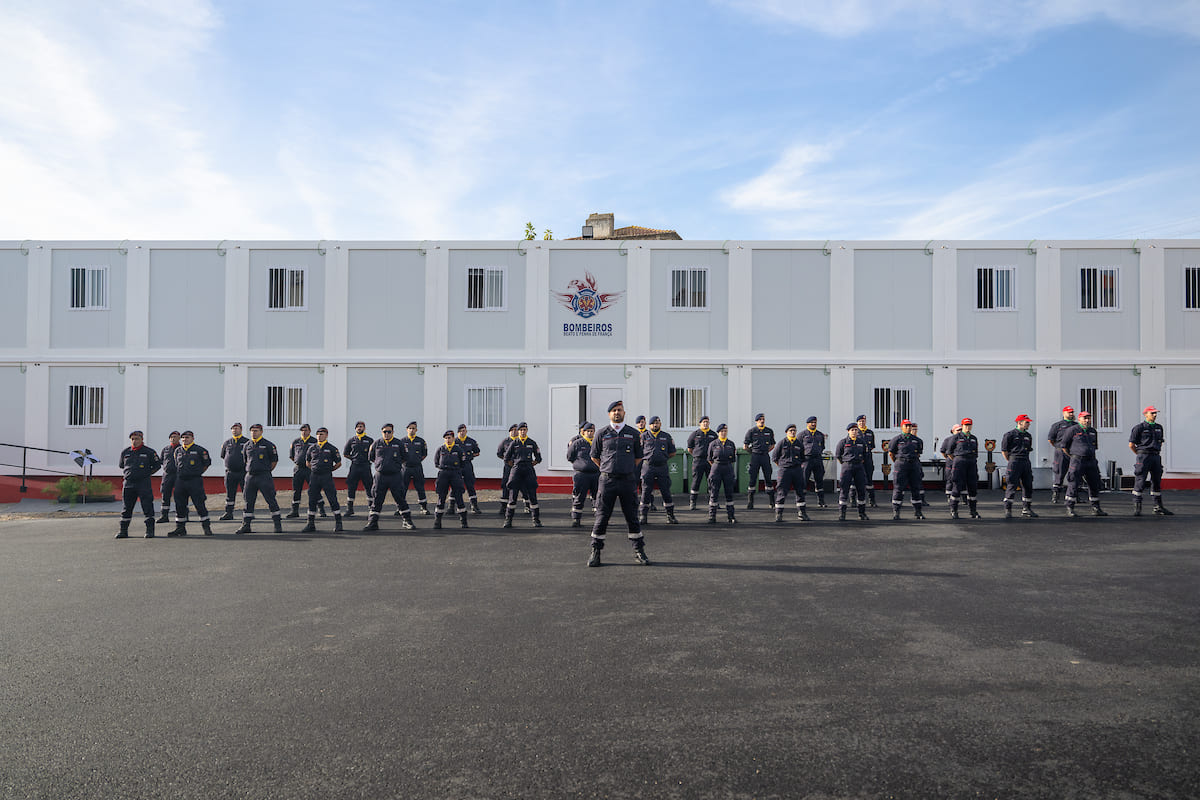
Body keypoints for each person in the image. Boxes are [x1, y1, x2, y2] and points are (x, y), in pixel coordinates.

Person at [587, 400, 648, 567]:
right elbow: (594, 456)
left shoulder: (633, 434)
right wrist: (608, 469)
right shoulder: (601, 433)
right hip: (607, 481)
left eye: (619, 410)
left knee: (632, 517)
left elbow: (638, 457)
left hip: (628, 480)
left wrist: (626, 468)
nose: (616, 413)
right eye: (613, 410)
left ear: (624, 413)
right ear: (609, 414)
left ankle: (639, 550)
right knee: (601, 517)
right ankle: (596, 552)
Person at [364, 423, 414, 531]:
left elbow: (405, 457)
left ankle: (407, 521)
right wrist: (381, 466)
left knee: (400, 498)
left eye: (389, 432)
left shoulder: (399, 443)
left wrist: (393, 465)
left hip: (395, 476)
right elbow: (371, 457)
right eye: (384, 432)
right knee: (377, 499)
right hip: (380, 476)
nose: (387, 434)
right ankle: (373, 522)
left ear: (393, 432)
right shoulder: (376, 443)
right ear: (381, 432)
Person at [236, 423, 283, 534]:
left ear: (261, 432)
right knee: (248, 501)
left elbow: (274, 461)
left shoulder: (268, 445)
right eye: (252, 431)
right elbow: (245, 460)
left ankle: (277, 524)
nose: (254, 433)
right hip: (250, 477)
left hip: (264, 476)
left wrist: (265, 470)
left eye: (256, 430)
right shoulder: (247, 445)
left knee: (271, 500)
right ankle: (246, 525)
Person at [116, 430, 161, 539]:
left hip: (143, 483)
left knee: (147, 506)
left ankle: (150, 531)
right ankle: (123, 531)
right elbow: (122, 465)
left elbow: (157, 466)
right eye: (132, 439)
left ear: (142, 439)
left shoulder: (149, 452)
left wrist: (146, 474)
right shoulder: (125, 452)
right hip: (128, 484)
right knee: (126, 508)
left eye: (137, 439)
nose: (134, 441)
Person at [1061, 411, 1107, 517]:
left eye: (1089, 418)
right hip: (1077, 460)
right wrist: (1073, 456)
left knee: (1094, 484)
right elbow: (1064, 446)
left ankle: (1096, 507)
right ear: (1079, 419)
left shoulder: (1092, 431)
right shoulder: (1072, 430)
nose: (1087, 420)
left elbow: (1095, 446)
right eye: (1085, 418)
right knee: (1074, 483)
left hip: (1091, 461)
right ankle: (1070, 507)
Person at [1129, 406, 1172, 516]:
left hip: (1155, 456)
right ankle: (1137, 507)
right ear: (1145, 414)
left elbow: (1160, 442)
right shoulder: (1139, 428)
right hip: (1143, 456)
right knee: (1140, 481)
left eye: (1155, 413)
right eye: (1152, 413)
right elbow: (1131, 445)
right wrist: (1140, 454)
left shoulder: (1159, 427)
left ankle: (1158, 507)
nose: (1155, 415)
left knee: (1156, 481)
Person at [170, 430, 212, 536]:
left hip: (195, 481)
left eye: (187, 438)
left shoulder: (200, 450)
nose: (185, 440)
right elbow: (176, 464)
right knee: (180, 505)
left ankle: (206, 527)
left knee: (199, 504)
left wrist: (197, 473)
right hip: (181, 481)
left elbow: (206, 464)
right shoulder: (177, 451)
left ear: (193, 439)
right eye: (183, 438)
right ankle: (180, 528)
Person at [501, 422, 542, 528]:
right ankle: (508, 520)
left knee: (532, 495)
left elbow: (538, 458)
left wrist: (531, 464)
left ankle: (536, 519)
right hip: (517, 470)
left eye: (524, 430)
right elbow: (506, 458)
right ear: (518, 431)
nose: (523, 432)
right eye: (521, 430)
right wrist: (514, 464)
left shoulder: (532, 443)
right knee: (512, 496)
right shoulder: (514, 443)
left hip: (528, 469)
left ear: (527, 430)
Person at [302, 427, 343, 533]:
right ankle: (310, 524)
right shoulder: (312, 448)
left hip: (326, 477)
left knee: (332, 499)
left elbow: (338, 463)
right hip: (314, 476)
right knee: (312, 500)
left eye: (322, 434)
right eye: (318, 434)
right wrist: (315, 469)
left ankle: (338, 523)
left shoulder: (331, 448)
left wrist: (329, 470)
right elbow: (307, 462)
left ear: (326, 435)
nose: (320, 436)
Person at [640, 415, 678, 524]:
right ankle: (643, 516)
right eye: (653, 423)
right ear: (649, 425)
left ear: (660, 424)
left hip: (662, 467)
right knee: (646, 492)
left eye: (657, 423)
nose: (655, 425)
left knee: (666, 491)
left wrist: (662, 458)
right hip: (648, 467)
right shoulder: (644, 436)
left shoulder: (666, 436)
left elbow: (672, 452)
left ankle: (670, 516)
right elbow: (638, 451)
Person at [1001, 414, 1038, 519]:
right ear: (1019, 422)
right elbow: (1004, 451)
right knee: (1012, 485)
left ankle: (1027, 509)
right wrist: (1011, 460)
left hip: (1025, 461)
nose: (1029, 424)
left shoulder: (1028, 436)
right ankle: (1008, 509)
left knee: (1028, 485)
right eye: (1027, 422)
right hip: (1014, 461)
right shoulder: (1009, 435)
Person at [887, 419, 925, 520]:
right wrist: (898, 461)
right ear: (902, 427)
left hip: (914, 464)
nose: (908, 428)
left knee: (916, 488)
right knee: (898, 488)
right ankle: (896, 512)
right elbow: (891, 453)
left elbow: (918, 453)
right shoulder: (896, 439)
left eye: (910, 426)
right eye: (906, 426)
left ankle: (918, 512)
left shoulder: (917, 440)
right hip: (901, 464)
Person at [945, 418, 982, 519]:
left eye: (969, 425)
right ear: (962, 426)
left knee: (972, 488)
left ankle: (973, 511)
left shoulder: (974, 438)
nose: (967, 427)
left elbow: (976, 452)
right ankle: (954, 510)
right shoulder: (956, 437)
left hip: (971, 463)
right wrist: (957, 460)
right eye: (965, 425)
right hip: (959, 463)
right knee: (957, 487)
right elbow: (949, 452)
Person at [433, 430, 469, 529]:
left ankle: (463, 521)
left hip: (455, 474)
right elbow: (436, 462)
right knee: (441, 498)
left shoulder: (458, 450)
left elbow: (463, 463)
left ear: (453, 438)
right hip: (443, 474)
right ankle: (437, 521)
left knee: (459, 498)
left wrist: (456, 470)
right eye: (446, 438)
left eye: (449, 438)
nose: (448, 440)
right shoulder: (440, 449)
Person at [771, 423, 807, 522]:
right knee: (782, 492)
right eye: (791, 430)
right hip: (785, 470)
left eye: (794, 430)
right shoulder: (782, 443)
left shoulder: (799, 444)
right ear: (786, 432)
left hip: (797, 470)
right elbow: (774, 457)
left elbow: (803, 458)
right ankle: (779, 514)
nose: (793, 432)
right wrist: (783, 466)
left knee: (800, 491)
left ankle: (802, 513)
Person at [287, 424, 323, 519]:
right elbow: (292, 456)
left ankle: (321, 508)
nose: (304, 432)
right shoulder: (296, 441)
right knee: (296, 490)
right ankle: (295, 510)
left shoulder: (314, 441)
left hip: (310, 469)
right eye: (302, 430)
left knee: (313, 489)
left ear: (310, 431)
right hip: (298, 469)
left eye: (306, 430)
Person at [567, 421, 599, 528]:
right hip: (582, 475)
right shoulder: (577, 443)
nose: (590, 433)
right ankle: (576, 519)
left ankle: (599, 519)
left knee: (597, 497)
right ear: (583, 432)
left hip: (596, 474)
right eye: (588, 431)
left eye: (592, 431)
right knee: (580, 497)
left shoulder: (597, 443)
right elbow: (570, 457)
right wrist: (580, 465)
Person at [834, 424, 869, 521]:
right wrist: (845, 463)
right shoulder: (843, 442)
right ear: (848, 431)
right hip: (847, 466)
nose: (854, 431)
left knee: (861, 490)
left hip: (859, 467)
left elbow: (865, 455)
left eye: (856, 430)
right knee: (844, 490)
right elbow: (838, 455)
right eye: (852, 430)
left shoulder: (861, 442)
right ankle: (842, 514)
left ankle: (862, 513)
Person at [743, 413, 776, 511]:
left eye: (763, 419)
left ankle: (771, 502)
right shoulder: (752, 431)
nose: (762, 421)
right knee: (752, 479)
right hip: (755, 457)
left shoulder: (769, 431)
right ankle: (750, 502)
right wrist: (753, 452)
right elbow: (745, 446)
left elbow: (772, 445)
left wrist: (765, 451)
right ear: (756, 421)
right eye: (760, 419)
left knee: (768, 479)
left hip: (765, 456)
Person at [707, 423, 738, 524]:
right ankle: (712, 516)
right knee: (714, 492)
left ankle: (731, 516)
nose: (724, 433)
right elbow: (710, 459)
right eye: (722, 431)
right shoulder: (713, 444)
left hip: (728, 468)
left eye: (725, 431)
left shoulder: (731, 444)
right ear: (718, 433)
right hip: (716, 468)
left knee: (729, 493)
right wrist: (716, 466)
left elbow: (733, 458)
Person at [342, 421, 373, 519]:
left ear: (364, 428)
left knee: (369, 487)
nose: (359, 428)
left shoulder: (369, 440)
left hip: (365, 467)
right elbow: (345, 453)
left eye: (361, 426)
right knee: (351, 487)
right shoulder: (352, 440)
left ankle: (371, 507)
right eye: (358, 427)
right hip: (355, 466)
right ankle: (349, 509)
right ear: (355, 429)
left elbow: (374, 453)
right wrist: (353, 458)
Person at [687, 416, 718, 511]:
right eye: (703, 422)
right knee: (696, 482)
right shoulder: (695, 434)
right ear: (700, 423)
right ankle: (693, 502)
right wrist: (697, 455)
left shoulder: (713, 435)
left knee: (712, 481)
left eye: (707, 422)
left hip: (710, 461)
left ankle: (713, 502)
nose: (705, 423)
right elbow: (690, 448)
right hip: (698, 461)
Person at [218, 422, 248, 521]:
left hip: (243, 473)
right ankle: (228, 513)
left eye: (237, 428)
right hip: (230, 473)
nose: (235, 430)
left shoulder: (247, 442)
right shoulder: (227, 443)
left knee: (247, 493)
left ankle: (248, 512)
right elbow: (223, 456)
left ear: (241, 430)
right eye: (233, 429)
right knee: (230, 494)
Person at [398, 421, 430, 516]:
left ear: (416, 430)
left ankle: (423, 507)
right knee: (402, 488)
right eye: (410, 428)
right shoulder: (402, 441)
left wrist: (416, 460)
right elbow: (399, 455)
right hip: (405, 468)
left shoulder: (421, 441)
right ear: (407, 430)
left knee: (420, 487)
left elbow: (424, 454)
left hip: (417, 468)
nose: (412, 430)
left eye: (413, 428)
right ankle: (400, 507)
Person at [1047, 406, 1077, 504]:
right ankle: (1056, 495)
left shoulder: (1077, 426)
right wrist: (1059, 447)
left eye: (1072, 412)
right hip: (1061, 452)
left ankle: (1074, 495)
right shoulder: (1057, 425)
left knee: (1075, 474)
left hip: (1074, 452)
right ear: (1064, 413)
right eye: (1069, 412)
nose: (1071, 414)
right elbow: (1051, 439)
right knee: (1059, 473)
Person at [799, 416, 827, 511]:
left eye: (815, 422)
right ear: (807, 424)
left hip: (817, 459)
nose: (813, 424)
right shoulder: (802, 434)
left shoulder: (820, 434)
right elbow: (798, 447)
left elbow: (822, 446)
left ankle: (821, 501)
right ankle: (802, 501)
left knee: (819, 480)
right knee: (804, 480)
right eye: (812, 422)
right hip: (806, 460)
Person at [456, 424, 483, 514]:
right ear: (457, 432)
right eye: (460, 431)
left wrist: (470, 456)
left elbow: (477, 452)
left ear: (466, 431)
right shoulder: (454, 441)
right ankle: (451, 506)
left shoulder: (471, 441)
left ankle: (474, 506)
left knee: (470, 485)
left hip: (467, 465)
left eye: (463, 431)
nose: (462, 432)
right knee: (455, 486)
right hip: (457, 466)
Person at [156, 431, 181, 523]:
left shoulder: (182, 449)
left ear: (179, 438)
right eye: (171, 437)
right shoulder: (166, 449)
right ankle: (164, 515)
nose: (173, 438)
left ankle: (182, 515)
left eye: (175, 436)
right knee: (165, 495)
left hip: (179, 475)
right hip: (167, 475)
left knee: (180, 495)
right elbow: (162, 461)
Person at [855, 415, 878, 507]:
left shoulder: (870, 433)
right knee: (855, 480)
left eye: (863, 421)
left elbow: (871, 446)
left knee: (869, 479)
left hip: (868, 459)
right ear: (857, 423)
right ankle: (853, 499)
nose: (861, 423)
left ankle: (872, 500)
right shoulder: (855, 432)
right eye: (860, 421)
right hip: (858, 459)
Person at [497, 424, 519, 515]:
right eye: (512, 430)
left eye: (515, 430)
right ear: (509, 431)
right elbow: (499, 453)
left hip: (519, 467)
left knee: (523, 486)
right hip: (508, 467)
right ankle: (503, 507)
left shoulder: (521, 441)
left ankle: (527, 505)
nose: (514, 431)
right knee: (506, 485)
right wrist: (507, 460)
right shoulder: (505, 442)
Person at [939, 423, 962, 508]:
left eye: (960, 430)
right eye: (957, 430)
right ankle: (949, 496)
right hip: (951, 463)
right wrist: (952, 459)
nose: (959, 431)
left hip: (961, 463)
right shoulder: (948, 440)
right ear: (953, 431)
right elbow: (943, 451)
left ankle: (963, 497)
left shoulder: (963, 439)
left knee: (961, 480)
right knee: (950, 480)